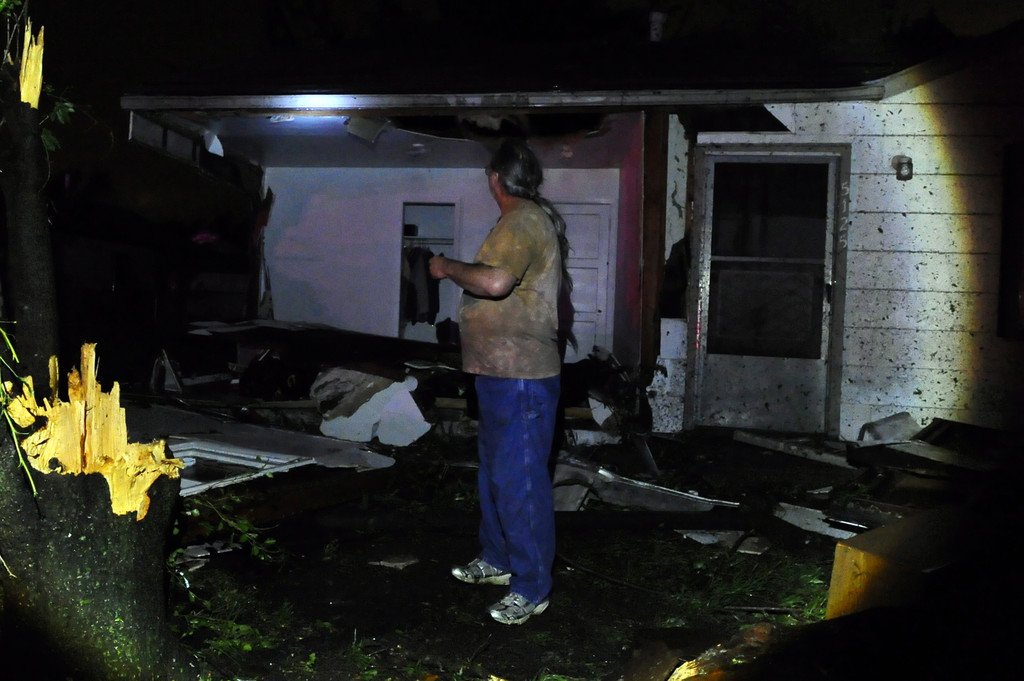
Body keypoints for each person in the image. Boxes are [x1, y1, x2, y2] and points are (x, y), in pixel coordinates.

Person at [429, 138, 570, 625]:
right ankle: (498, 559)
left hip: (521, 376)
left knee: (520, 481)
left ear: (494, 178)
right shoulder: (519, 221)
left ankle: (531, 588)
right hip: (497, 372)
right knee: (494, 473)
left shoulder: (523, 220)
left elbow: (494, 283)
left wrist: (445, 267)